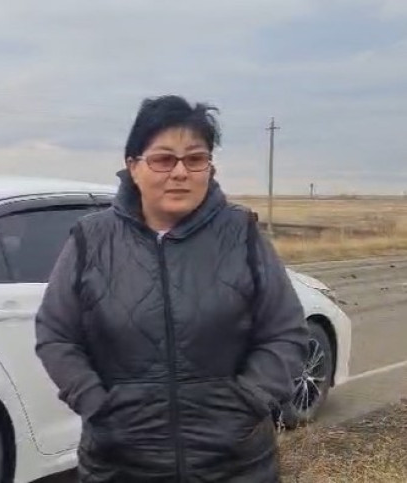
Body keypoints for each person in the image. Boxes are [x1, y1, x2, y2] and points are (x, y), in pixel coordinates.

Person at [35, 95, 309, 482]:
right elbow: (56, 334)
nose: (180, 172)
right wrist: (97, 405)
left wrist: (249, 401)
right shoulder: (91, 239)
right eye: (163, 159)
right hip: (120, 463)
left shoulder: (241, 233)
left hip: (235, 463)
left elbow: (285, 331)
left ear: (209, 168)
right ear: (133, 166)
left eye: (195, 159)